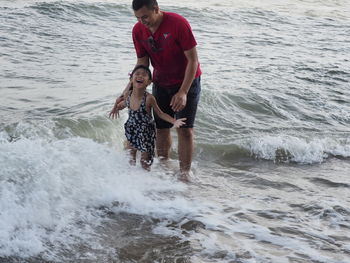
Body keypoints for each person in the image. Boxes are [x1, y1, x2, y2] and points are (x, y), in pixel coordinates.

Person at [111, 0, 201, 180]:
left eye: (145, 16)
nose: (142, 21)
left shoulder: (178, 23)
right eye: (137, 18)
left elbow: (193, 60)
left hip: (187, 81)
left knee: (184, 129)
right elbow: (142, 63)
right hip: (160, 82)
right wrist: (126, 91)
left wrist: (182, 92)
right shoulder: (138, 30)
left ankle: (185, 174)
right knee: (161, 128)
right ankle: (164, 166)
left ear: (156, 9)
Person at [110, 65, 186, 170]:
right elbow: (120, 102)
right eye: (137, 74)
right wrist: (115, 108)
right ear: (131, 79)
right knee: (129, 158)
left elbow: (160, 114)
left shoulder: (149, 98)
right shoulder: (128, 95)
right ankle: (130, 180)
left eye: (144, 75)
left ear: (149, 82)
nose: (140, 76)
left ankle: (147, 182)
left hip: (146, 133)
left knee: (145, 162)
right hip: (132, 130)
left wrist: (174, 121)